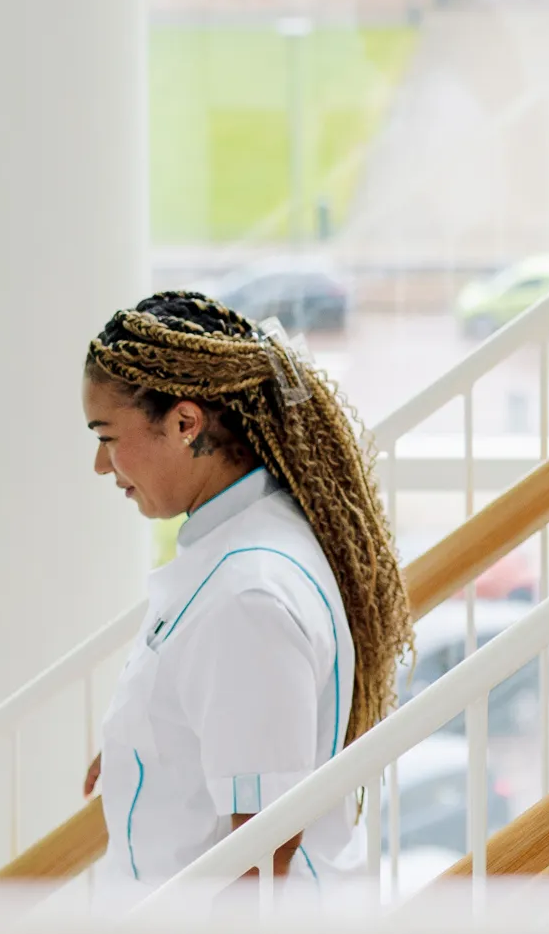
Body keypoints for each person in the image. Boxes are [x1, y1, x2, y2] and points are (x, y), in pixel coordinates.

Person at [78, 290, 411, 898]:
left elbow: (261, 860)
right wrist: (138, 740)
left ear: (185, 423)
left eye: (106, 435)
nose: (102, 465)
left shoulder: (247, 598)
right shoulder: (242, 542)